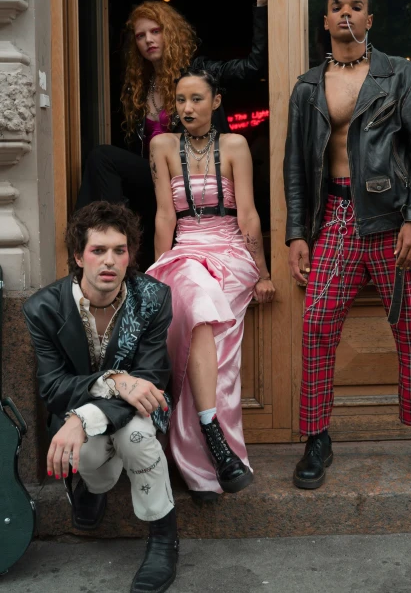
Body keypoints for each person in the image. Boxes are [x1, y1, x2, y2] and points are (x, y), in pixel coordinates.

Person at [284, 0, 411, 492]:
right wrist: (296, 233)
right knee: (316, 326)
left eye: (355, 5)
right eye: (337, 5)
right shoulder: (308, 86)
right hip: (334, 218)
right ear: (325, 19)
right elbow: (295, 165)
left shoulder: (400, 75)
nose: (346, 13)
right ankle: (317, 437)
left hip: (392, 222)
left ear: (369, 18)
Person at [23, 202, 178, 593]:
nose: (109, 261)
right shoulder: (43, 309)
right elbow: (53, 387)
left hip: (139, 410)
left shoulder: (153, 298)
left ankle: (163, 535)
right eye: (98, 250)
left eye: (119, 250)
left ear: (130, 256)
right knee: (88, 455)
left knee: (136, 437)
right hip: (85, 412)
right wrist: (112, 380)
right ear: (79, 256)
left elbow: (150, 380)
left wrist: (82, 418)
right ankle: (93, 488)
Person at [76, 0, 273, 267]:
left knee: (102, 157)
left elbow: (254, 66)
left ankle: (111, 241)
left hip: (197, 174)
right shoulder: (139, 87)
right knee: (101, 161)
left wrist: (261, 4)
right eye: (141, 36)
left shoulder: (199, 73)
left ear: (171, 34)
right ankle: (100, 246)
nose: (148, 40)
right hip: (158, 180)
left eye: (156, 31)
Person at [146, 68, 275, 502]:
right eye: (180, 100)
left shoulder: (235, 145)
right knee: (196, 300)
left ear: (216, 102)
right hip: (184, 253)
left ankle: (212, 464)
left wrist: (263, 271)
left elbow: (249, 215)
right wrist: (159, 273)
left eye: (197, 99)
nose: (186, 108)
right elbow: (165, 215)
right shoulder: (161, 146)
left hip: (231, 255)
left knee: (217, 362)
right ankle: (210, 454)